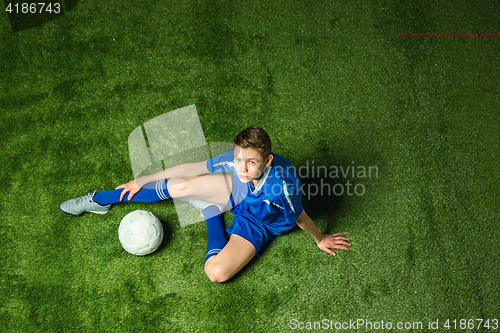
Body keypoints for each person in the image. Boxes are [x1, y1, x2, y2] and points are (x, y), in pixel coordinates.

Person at [60, 126, 351, 282]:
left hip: (260, 221)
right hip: (237, 192)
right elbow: (194, 167)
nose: (243, 166)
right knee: (182, 185)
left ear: (268, 161)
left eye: (252, 162)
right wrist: (143, 178)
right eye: (239, 158)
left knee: (216, 272)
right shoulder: (237, 168)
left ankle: (210, 213)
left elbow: (299, 216)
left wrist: (320, 237)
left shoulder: (280, 188)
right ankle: (99, 199)